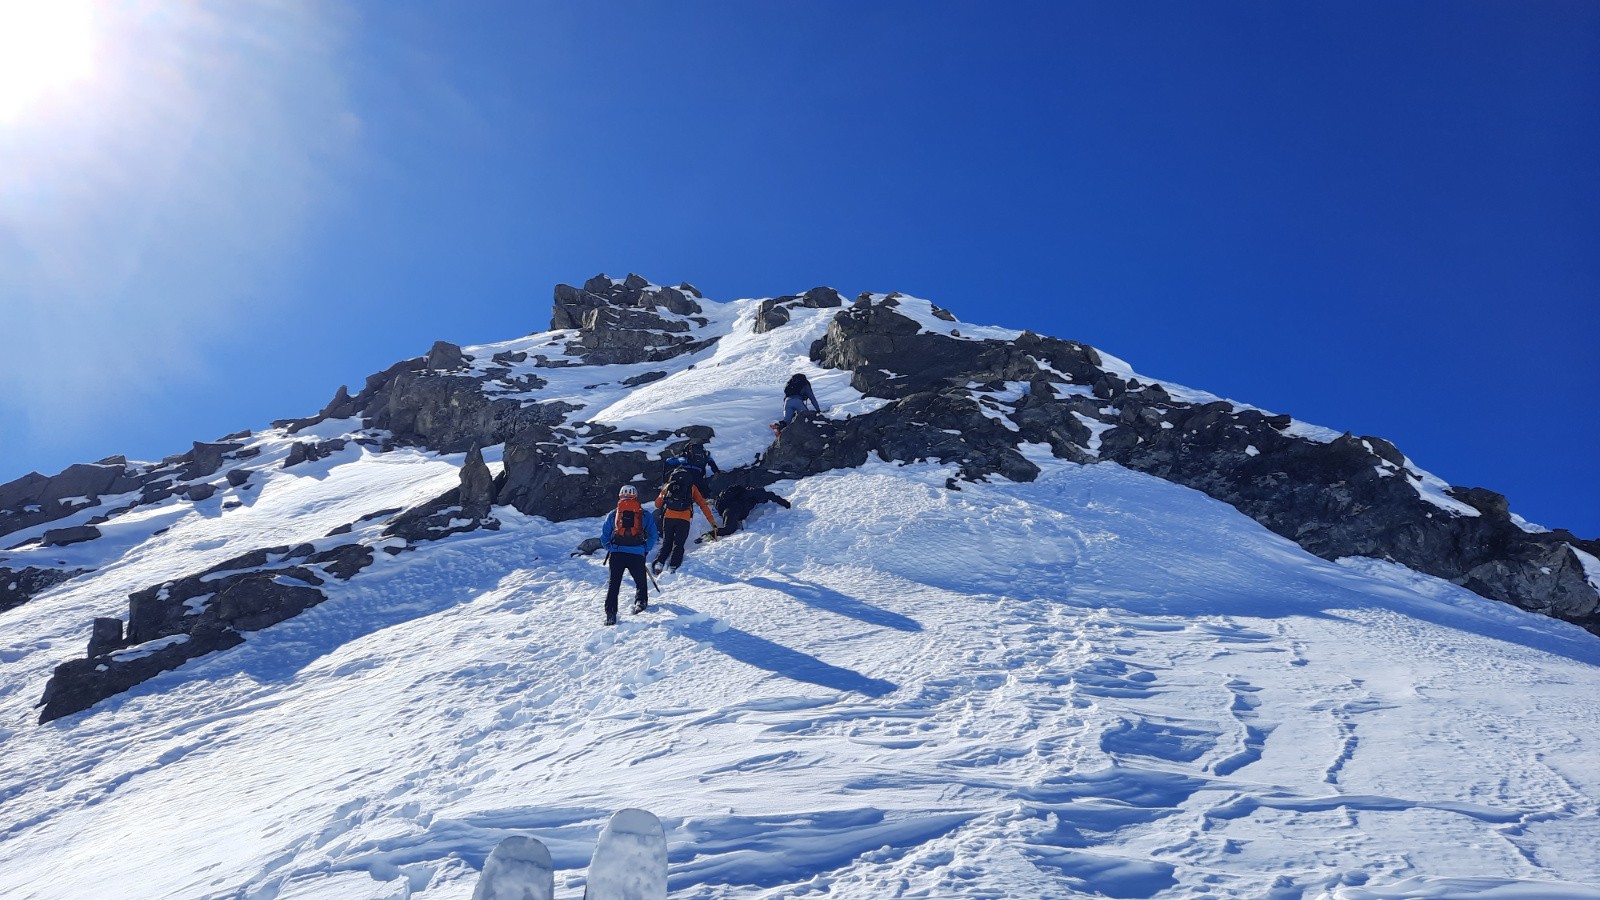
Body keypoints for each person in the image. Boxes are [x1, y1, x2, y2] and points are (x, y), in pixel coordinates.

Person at [599, 485, 658, 625]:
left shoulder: (614, 514)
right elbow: (653, 535)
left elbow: (604, 536)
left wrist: (611, 547)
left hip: (617, 554)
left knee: (614, 584)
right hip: (636, 553)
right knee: (640, 581)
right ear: (635, 496)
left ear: (620, 496)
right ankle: (641, 602)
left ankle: (611, 613)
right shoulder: (643, 514)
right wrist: (644, 549)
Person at [653, 467, 718, 574]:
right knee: (679, 544)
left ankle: (659, 563)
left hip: (669, 517)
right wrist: (711, 521)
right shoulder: (691, 487)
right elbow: (703, 504)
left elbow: (657, 504)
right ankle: (673, 566)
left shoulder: (669, 486)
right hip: (684, 519)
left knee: (667, 542)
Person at [710, 484, 791, 537]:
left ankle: (709, 535)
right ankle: (707, 536)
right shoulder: (754, 493)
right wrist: (785, 503)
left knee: (729, 529)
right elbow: (770, 495)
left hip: (728, 510)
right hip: (733, 510)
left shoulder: (744, 494)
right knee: (729, 529)